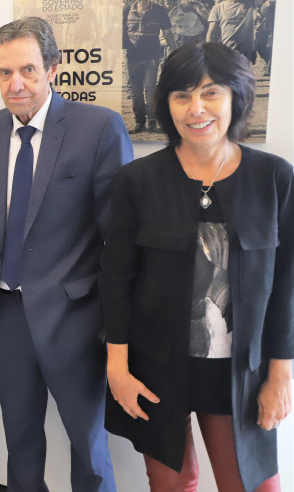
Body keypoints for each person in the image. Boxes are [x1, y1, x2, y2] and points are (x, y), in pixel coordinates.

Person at [102, 41, 291, 492]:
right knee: (171, 484)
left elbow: (286, 285)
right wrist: (117, 368)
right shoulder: (138, 181)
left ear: (235, 98)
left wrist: (280, 375)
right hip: (154, 366)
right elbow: (116, 278)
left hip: (240, 371)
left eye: (211, 93)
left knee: (251, 485)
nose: (196, 108)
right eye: (182, 95)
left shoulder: (274, 179)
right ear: (166, 104)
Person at [0, 17, 132, 492]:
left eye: (28, 70)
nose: (15, 83)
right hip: (4, 313)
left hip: (75, 316)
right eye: (4, 72)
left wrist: (111, 321)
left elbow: (118, 238)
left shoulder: (98, 127)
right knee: (19, 439)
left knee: (88, 445)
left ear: (53, 69)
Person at [124, 0, 178, 133]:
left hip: (152, 57)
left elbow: (167, 33)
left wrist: (175, 50)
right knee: (136, 90)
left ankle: (152, 120)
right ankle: (140, 122)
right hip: (133, 57)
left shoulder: (160, 11)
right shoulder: (127, 10)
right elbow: (120, 31)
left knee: (150, 89)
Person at [207, 0, 274, 63]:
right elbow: (211, 34)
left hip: (245, 53)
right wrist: (210, 55)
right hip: (227, 52)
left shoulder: (250, 3)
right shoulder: (218, 7)